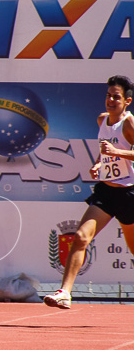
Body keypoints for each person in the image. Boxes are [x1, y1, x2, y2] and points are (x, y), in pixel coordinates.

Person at [44, 75, 134, 310]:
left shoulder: (129, 124)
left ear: (127, 101)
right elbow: (104, 151)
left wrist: (118, 152)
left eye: (116, 97)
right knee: (80, 237)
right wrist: (99, 163)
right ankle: (65, 292)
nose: (111, 100)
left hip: (129, 194)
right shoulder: (102, 120)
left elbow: (116, 150)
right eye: (108, 96)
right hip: (106, 193)